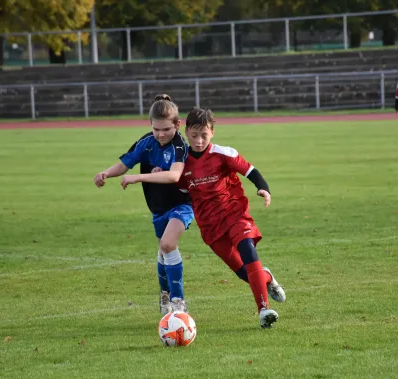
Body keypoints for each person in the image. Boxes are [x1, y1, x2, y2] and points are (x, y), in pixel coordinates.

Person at [121, 108, 286, 329]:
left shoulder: (223, 153)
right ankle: (266, 277)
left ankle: (263, 311)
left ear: (212, 133)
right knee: (244, 272)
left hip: (234, 214)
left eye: (204, 136)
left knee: (248, 250)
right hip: (210, 228)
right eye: (195, 135)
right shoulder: (182, 164)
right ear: (186, 132)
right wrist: (157, 173)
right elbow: (178, 188)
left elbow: (251, 171)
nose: (199, 141)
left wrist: (264, 189)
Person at [93, 94, 193, 315]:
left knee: (168, 244)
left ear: (177, 124)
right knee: (162, 251)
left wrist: (138, 178)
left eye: (166, 129)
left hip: (181, 204)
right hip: (158, 207)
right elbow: (124, 164)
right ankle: (165, 294)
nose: (160, 134)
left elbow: (174, 176)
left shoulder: (179, 145)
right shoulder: (146, 143)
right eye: (156, 129)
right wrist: (105, 173)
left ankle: (178, 301)